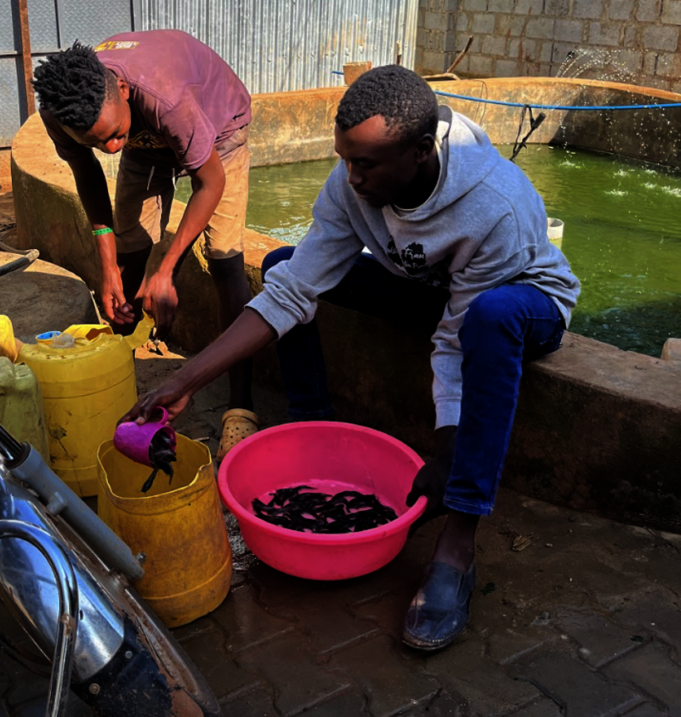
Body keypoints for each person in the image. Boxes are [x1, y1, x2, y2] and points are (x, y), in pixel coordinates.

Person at [121, 64, 580, 652]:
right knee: (287, 263)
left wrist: (447, 445)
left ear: (419, 152)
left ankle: (458, 542)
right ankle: (314, 426)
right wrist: (185, 379)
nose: (351, 177)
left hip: (520, 306)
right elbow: (291, 292)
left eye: (366, 164)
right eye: (345, 159)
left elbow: (455, 337)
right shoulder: (351, 182)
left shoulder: (495, 206)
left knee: (489, 321)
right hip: (431, 287)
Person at [32, 30, 259, 458]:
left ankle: (241, 407)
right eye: (98, 143)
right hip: (149, 135)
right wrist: (109, 269)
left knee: (224, 258)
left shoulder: (165, 96)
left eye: (114, 134)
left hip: (218, 128)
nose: (113, 149)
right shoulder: (60, 111)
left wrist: (167, 269)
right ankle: (121, 362)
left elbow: (210, 182)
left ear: (122, 90)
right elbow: (88, 176)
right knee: (130, 239)